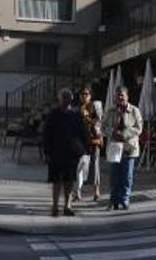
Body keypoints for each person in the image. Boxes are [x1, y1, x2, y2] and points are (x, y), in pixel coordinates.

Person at [43, 89, 89, 217]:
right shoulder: (53, 113)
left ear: (71, 99)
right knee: (56, 180)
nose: (66, 100)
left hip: (71, 152)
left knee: (69, 180)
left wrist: (84, 148)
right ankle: (55, 206)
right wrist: (46, 151)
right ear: (59, 99)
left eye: (68, 97)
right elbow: (46, 133)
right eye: (64, 97)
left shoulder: (76, 114)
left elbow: (83, 131)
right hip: (56, 152)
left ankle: (67, 206)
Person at [107, 85, 143, 211]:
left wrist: (124, 134)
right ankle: (114, 199)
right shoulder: (110, 111)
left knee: (127, 175)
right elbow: (103, 126)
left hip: (129, 148)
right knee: (114, 175)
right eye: (118, 95)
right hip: (115, 147)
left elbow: (139, 128)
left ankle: (125, 198)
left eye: (122, 95)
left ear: (127, 96)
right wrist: (111, 131)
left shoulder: (134, 110)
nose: (120, 97)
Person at [74, 86, 103, 202]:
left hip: (94, 140)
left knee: (95, 165)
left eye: (87, 94)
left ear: (90, 95)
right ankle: (78, 193)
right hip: (80, 141)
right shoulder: (77, 109)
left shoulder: (95, 106)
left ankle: (96, 190)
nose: (84, 96)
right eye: (82, 94)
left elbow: (99, 121)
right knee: (79, 167)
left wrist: (88, 118)